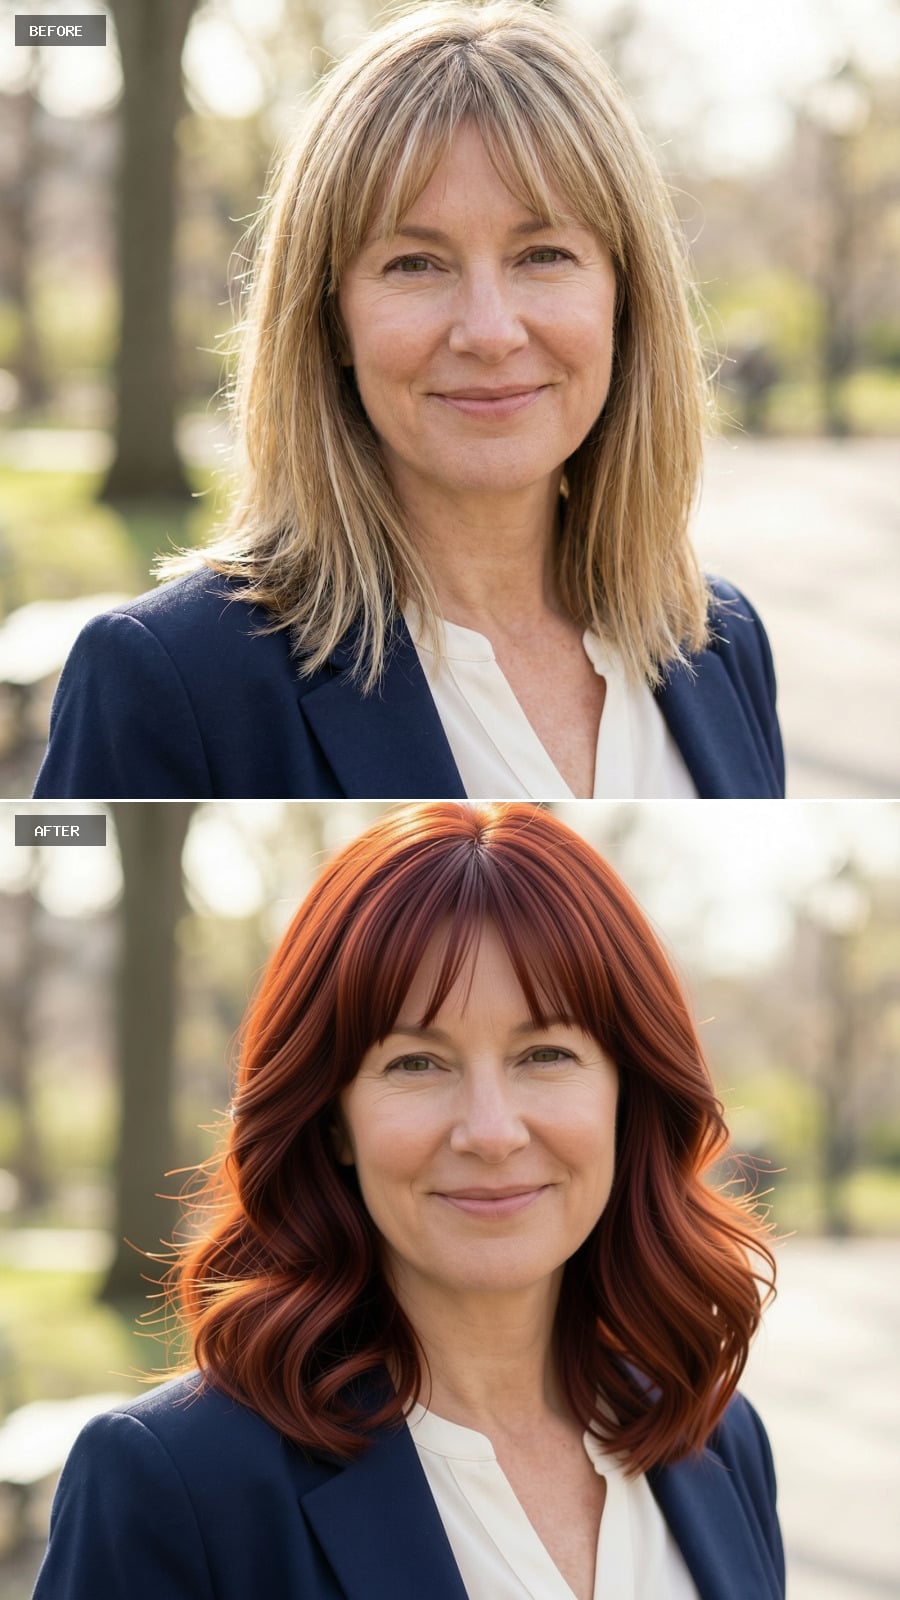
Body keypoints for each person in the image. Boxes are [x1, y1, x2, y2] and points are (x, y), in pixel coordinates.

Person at [34, 2, 783, 801]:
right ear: (331, 319)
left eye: (544, 254)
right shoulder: (168, 678)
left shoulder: (721, 640)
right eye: (415, 264)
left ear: (625, 299)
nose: (490, 332)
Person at [35, 803, 785, 1600]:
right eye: (416, 1064)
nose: (491, 1132)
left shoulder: (719, 1438)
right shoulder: (176, 1484)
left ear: (626, 1096)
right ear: (332, 1119)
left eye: (546, 1053)